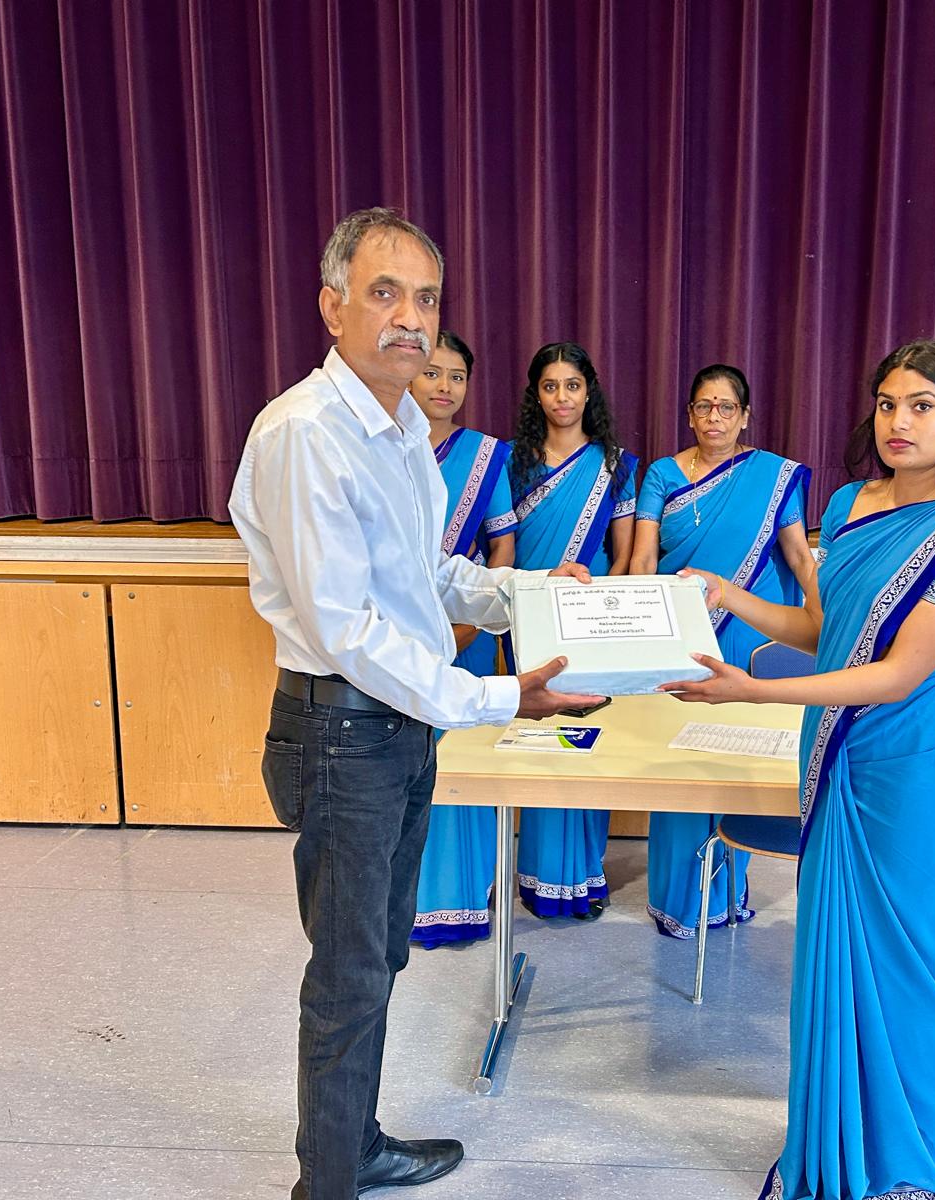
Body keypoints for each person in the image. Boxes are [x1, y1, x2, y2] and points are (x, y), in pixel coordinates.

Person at [228, 208, 602, 1200]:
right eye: (384, 293)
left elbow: (424, 577)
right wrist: (498, 694)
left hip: (394, 728)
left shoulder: (396, 426)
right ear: (332, 306)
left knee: (378, 956)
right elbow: (346, 626)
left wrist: (531, 594)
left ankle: (354, 1145)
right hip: (343, 733)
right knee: (348, 972)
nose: (409, 318)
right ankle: (328, 1183)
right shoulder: (308, 432)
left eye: (426, 299)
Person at [665, 339, 935, 1200]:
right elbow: (826, 631)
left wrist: (752, 691)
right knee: (833, 959)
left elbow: (898, 674)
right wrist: (730, 596)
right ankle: (831, 1152)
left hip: (920, 770)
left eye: (922, 406)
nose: (899, 422)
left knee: (911, 965)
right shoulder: (849, 502)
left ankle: (914, 1165)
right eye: (888, 403)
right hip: (842, 756)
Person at [628, 364, 814, 939]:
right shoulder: (662, 474)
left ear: (745, 416)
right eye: (705, 406)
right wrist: (639, 626)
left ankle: (726, 893)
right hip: (683, 636)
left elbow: (799, 555)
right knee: (680, 762)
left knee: (735, 761)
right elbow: (643, 556)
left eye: (726, 407)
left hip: (748, 637)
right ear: (689, 414)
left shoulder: (773, 476)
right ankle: (677, 900)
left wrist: (827, 618)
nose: (715, 417)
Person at [505, 342, 638, 919]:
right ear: (536, 394)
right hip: (528, 617)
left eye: (573, 385)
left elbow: (625, 554)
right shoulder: (512, 462)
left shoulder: (616, 464)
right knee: (537, 742)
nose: (562, 397)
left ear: (589, 393)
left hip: (590, 621)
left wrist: (610, 617)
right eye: (550, 386)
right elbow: (501, 548)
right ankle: (539, 877)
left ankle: (583, 874)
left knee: (587, 741)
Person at [405, 330, 516, 948]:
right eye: (433, 373)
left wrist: (468, 627)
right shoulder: (386, 447)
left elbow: (501, 548)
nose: (444, 387)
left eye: (457, 376)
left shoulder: (487, 456)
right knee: (409, 764)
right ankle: (412, 899)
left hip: (467, 631)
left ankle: (465, 896)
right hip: (396, 638)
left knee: (462, 762)